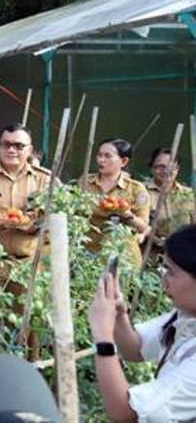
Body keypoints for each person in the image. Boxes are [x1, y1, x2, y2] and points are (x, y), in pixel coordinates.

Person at [88, 224, 196, 422]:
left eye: (170, 272)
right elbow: (135, 349)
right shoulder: (186, 316)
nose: (164, 280)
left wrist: (103, 335)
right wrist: (119, 316)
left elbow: (125, 412)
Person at [0, 123, 53, 356]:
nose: (12, 150)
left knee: (28, 323)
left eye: (19, 145)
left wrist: (31, 225)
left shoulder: (44, 180)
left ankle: (29, 372)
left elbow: (55, 219)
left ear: (30, 149)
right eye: (6, 144)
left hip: (28, 261)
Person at [80, 139, 151, 267]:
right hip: (89, 253)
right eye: (99, 155)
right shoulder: (85, 182)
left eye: (108, 156)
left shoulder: (136, 189)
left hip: (123, 256)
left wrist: (127, 215)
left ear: (124, 161)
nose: (101, 160)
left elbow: (144, 227)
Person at [145, 147, 195, 258]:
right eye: (160, 167)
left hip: (184, 256)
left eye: (171, 167)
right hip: (150, 256)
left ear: (177, 169)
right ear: (152, 168)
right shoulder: (141, 192)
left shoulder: (188, 195)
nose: (166, 171)